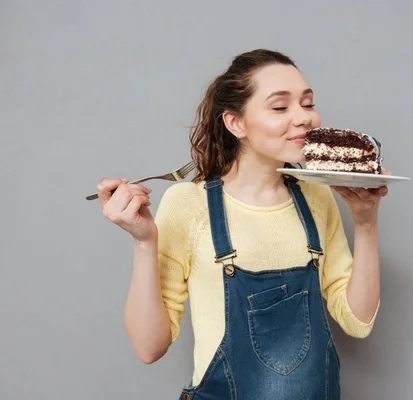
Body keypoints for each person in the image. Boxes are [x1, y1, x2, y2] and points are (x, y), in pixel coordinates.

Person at [96, 49, 390, 399]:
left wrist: (366, 221)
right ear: (235, 122)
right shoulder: (189, 204)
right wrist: (144, 242)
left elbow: (357, 321)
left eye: (307, 103)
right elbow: (149, 348)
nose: (304, 118)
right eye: (280, 107)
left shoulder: (317, 197)